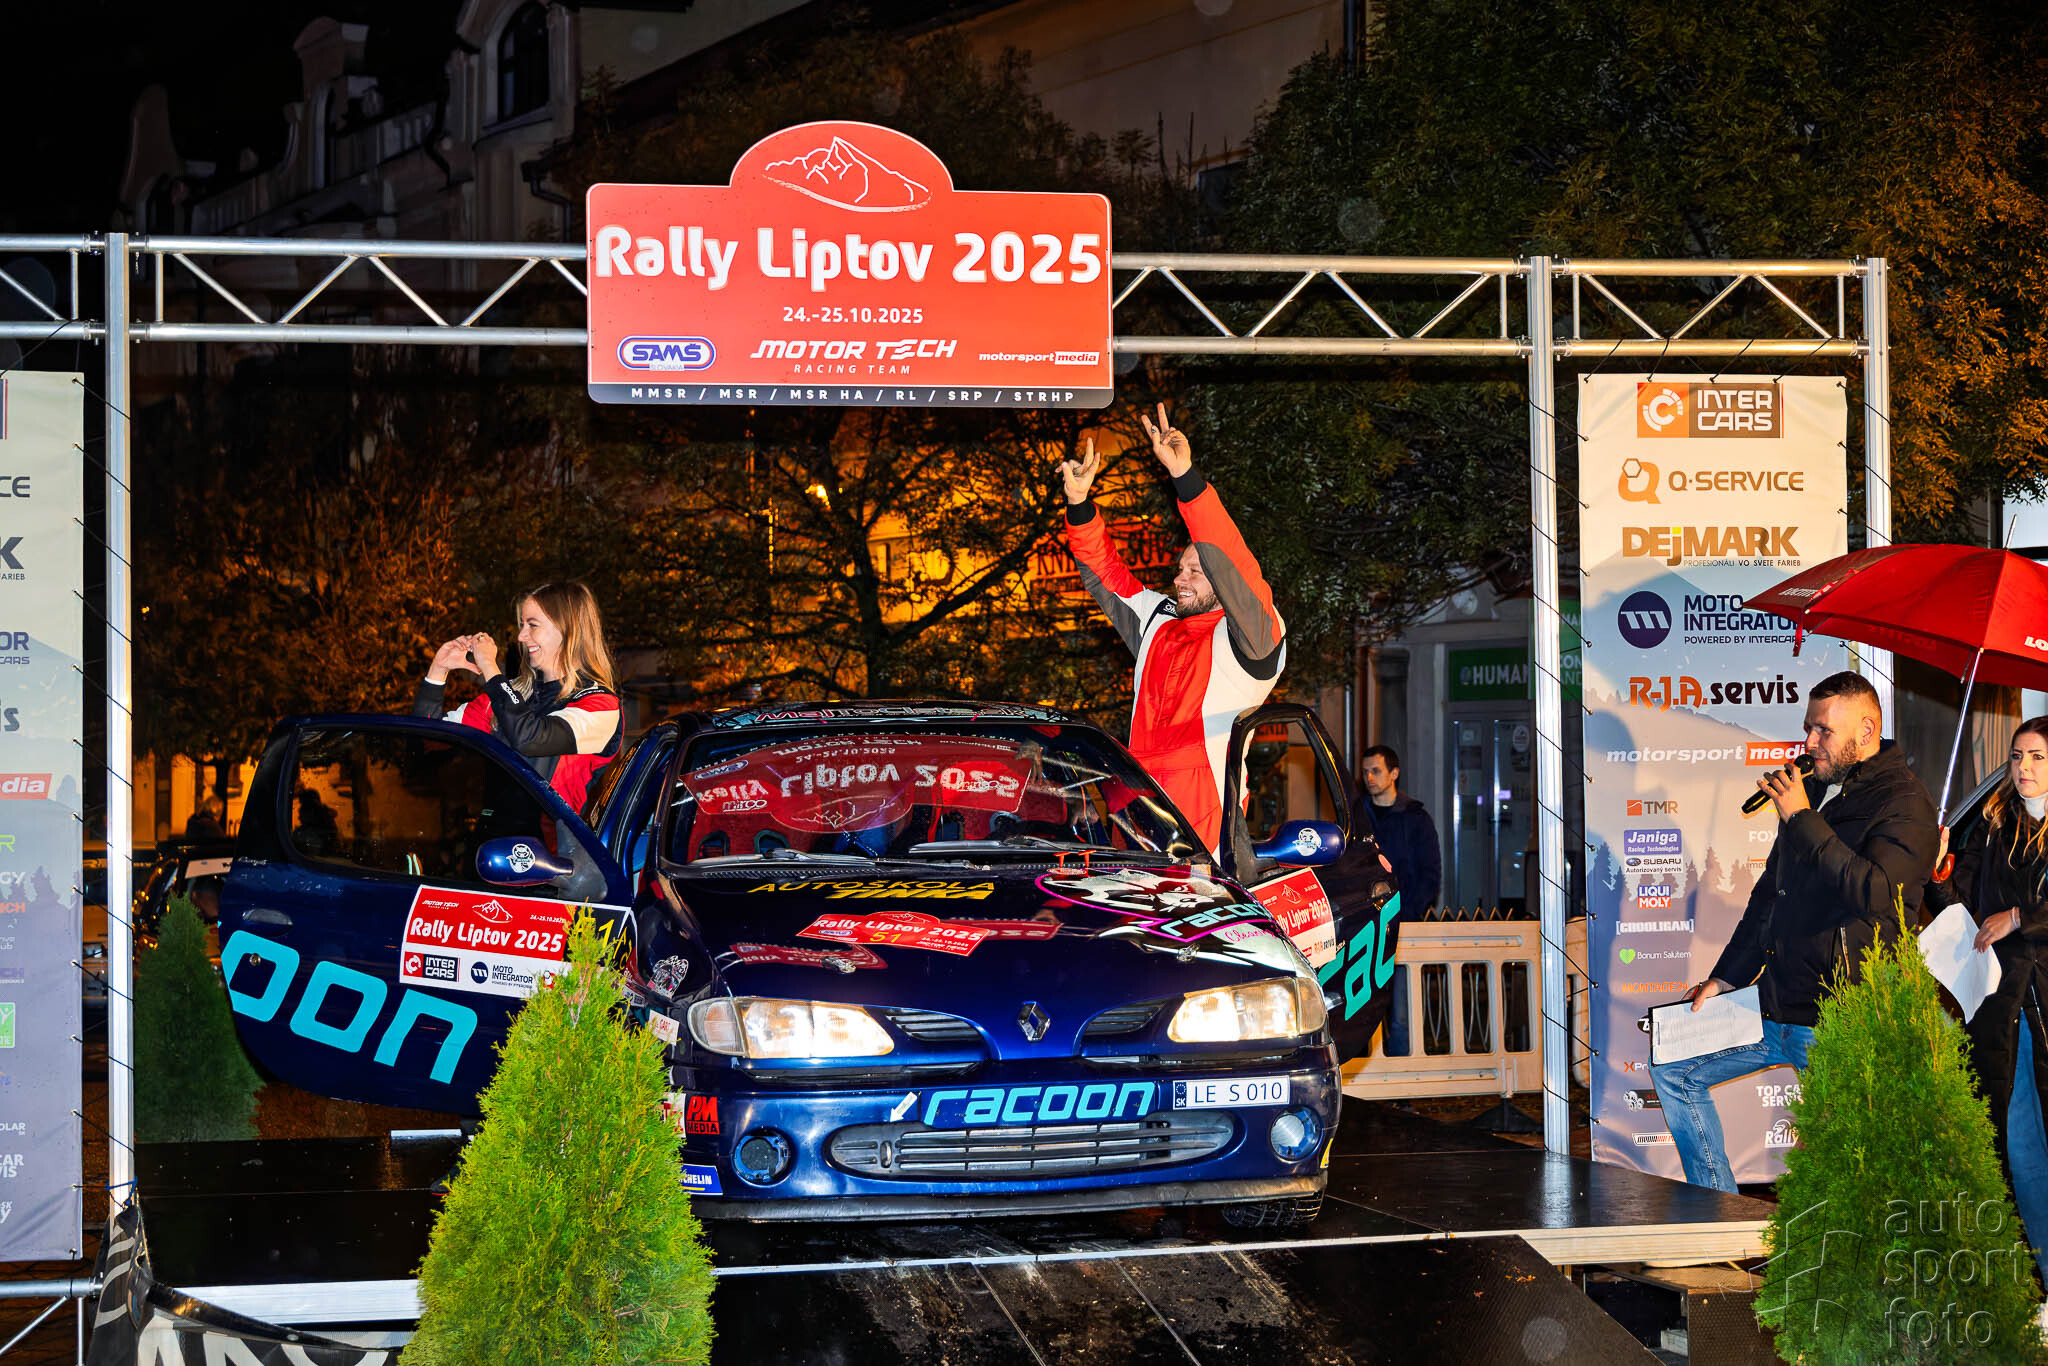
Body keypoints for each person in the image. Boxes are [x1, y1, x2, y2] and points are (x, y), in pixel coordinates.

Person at [1648, 670, 1938, 1192]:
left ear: (1866, 730)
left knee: (1829, 1168)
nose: (1809, 742)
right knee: (1674, 1067)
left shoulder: (1905, 802)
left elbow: (1876, 894)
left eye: (1823, 730)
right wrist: (1726, 978)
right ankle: (1720, 1210)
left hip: (1840, 1013)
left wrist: (1803, 817)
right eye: (1808, 728)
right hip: (1777, 1000)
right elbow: (1769, 898)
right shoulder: (1819, 793)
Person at [1058, 404, 1284, 856]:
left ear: (1221, 582)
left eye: (1196, 571)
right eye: (1180, 568)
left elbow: (1230, 558)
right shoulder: (1157, 619)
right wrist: (1079, 505)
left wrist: (1184, 476)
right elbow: (1105, 572)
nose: (1180, 578)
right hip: (1135, 820)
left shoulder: (1253, 635)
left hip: (1206, 834)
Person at [1927, 716, 2048, 1288]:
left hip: (2042, 1003)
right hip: (2007, 1011)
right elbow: (1962, 911)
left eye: (2038, 756)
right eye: (2017, 755)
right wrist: (1938, 870)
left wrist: (2021, 916)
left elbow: (2011, 918)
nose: (2024, 767)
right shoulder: (1996, 826)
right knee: (2020, 1150)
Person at [414, 582, 623, 811]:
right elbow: (430, 739)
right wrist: (438, 671)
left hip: (551, 835)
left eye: (532, 625)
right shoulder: (509, 693)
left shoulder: (601, 704)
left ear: (568, 629)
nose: (521, 636)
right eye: (522, 625)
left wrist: (489, 667)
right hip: (491, 832)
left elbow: (529, 738)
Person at [1356, 745, 1441, 912]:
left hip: (1405, 915)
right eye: (1365, 772)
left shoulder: (1416, 818)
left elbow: (1429, 874)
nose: (1369, 777)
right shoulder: (1356, 817)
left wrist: (1408, 912)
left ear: (1394, 773)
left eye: (1376, 771)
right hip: (1365, 916)